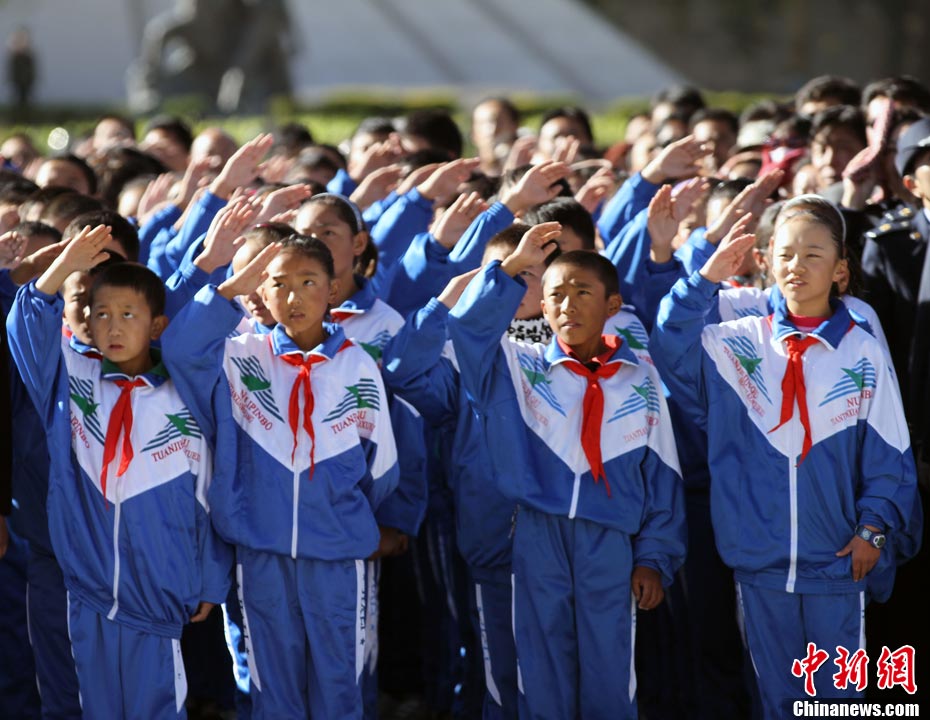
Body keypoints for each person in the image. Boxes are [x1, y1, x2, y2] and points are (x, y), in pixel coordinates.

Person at [652, 196, 921, 717]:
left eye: (813, 254)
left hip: (838, 564)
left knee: (837, 701)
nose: (797, 265)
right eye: (786, 254)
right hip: (760, 566)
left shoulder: (861, 349)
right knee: (778, 702)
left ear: (840, 269)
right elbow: (668, 343)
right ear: (768, 261)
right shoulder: (733, 344)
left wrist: (872, 530)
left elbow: (890, 454)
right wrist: (703, 279)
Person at [447, 224, 686, 719]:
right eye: (555, 294)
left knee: (609, 672)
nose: (568, 305)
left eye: (582, 292)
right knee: (541, 668)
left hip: (610, 542)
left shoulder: (641, 380)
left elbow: (663, 476)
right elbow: (467, 329)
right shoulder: (520, 366)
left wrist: (654, 557)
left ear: (613, 305)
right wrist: (511, 268)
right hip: (537, 537)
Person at [161, 235, 399, 719]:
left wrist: (335, 515)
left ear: (333, 290)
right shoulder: (238, 355)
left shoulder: (357, 364)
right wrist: (230, 289)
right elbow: (180, 349)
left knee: (338, 686)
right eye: (278, 284)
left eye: (308, 282)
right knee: (272, 690)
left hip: (335, 557)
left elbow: (381, 467)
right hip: (260, 555)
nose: (293, 297)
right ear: (261, 294)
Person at [6, 226, 231, 719]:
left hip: (158, 595)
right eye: (101, 313)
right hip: (86, 591)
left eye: (128, 314)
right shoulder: (73, 379)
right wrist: (61, 268)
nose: (112, 326)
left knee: (158, 707)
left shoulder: (185, 391)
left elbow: (208, 495)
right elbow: (25, 325)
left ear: (157, 325)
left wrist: (212, 580)